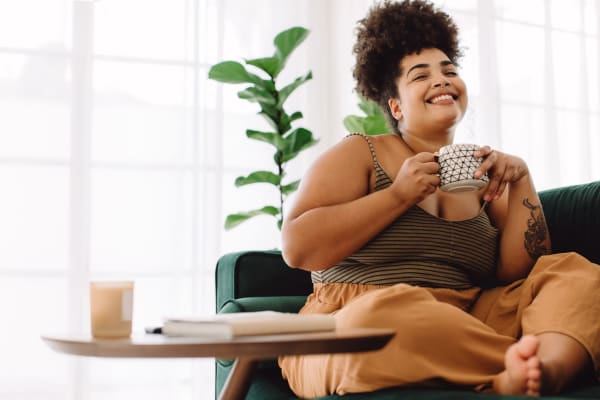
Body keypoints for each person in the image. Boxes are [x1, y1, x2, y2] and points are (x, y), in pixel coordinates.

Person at [278, 0, 600, 397]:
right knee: (391, 314)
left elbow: (519, 272)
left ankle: (541, 371)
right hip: (352, 317)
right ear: (395, 105)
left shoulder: (482, 175)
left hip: (468, 317)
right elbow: (298, 247)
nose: (442, 79)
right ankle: (517, 364)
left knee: (573, 272)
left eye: (449, 70)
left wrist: (521, 180)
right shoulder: (361, 153)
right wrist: (399, 195)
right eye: (421, 75)